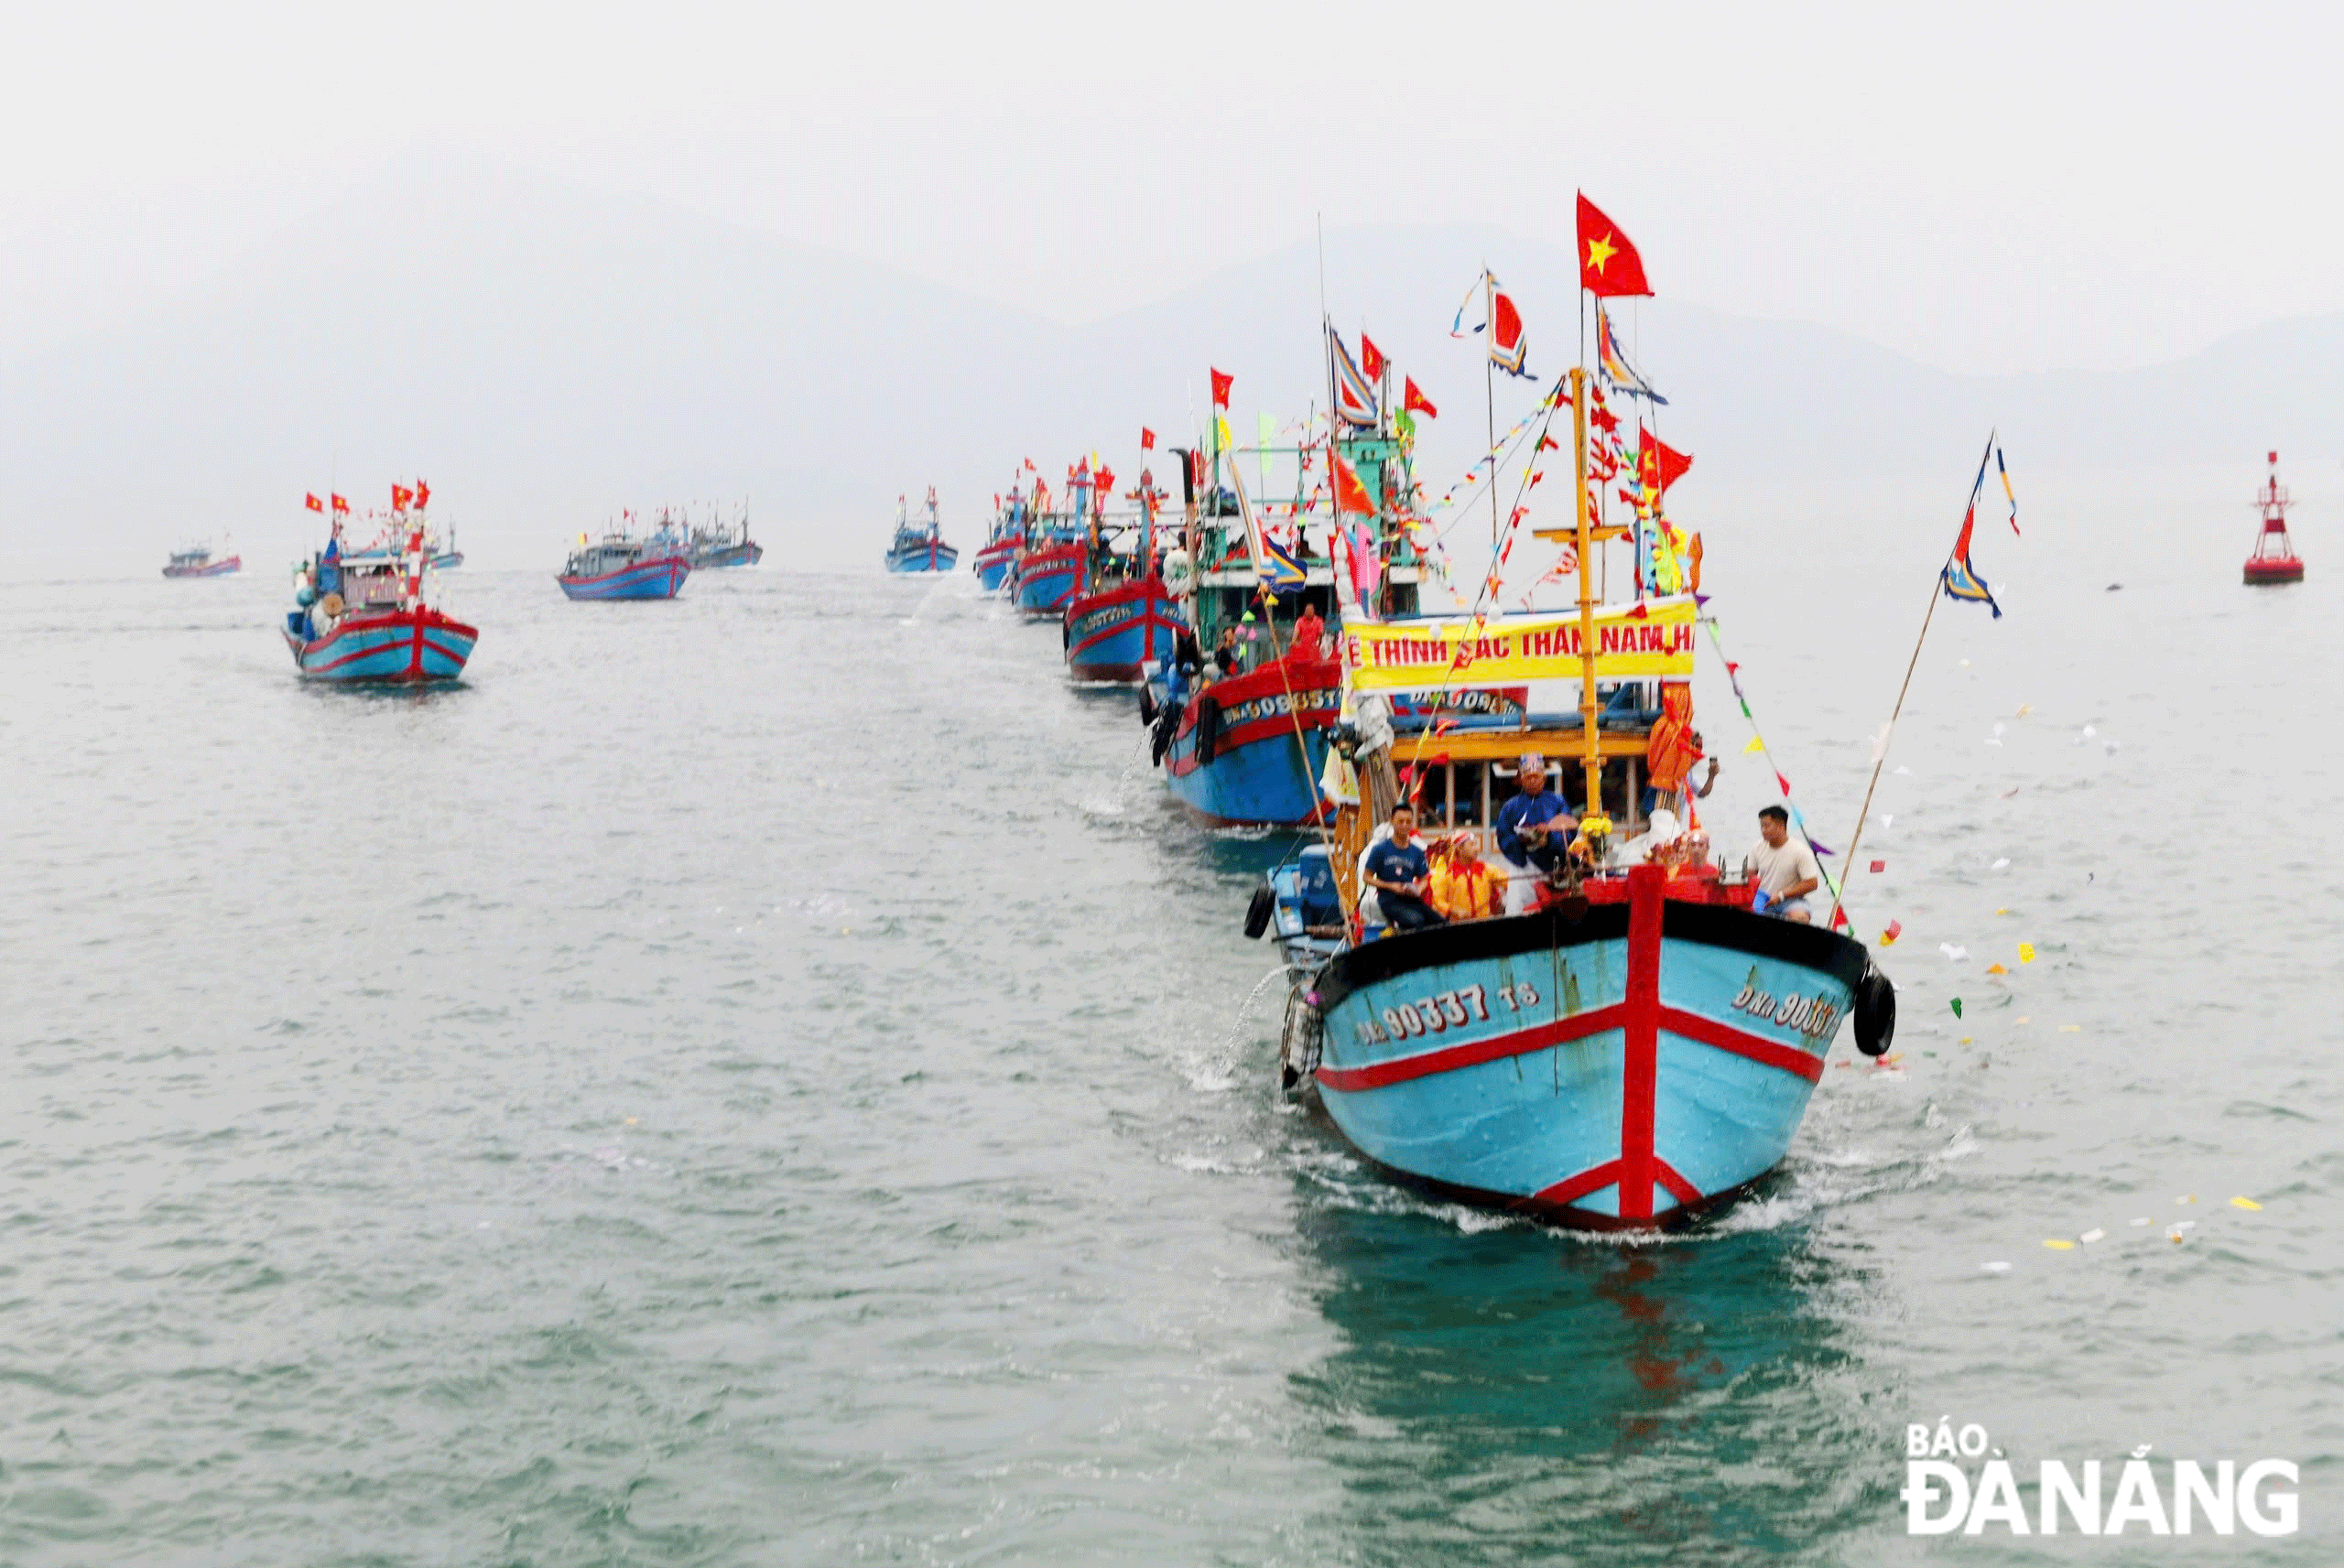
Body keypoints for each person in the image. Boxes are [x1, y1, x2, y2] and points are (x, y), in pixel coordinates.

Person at [1495, 752, 1577, 914]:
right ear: (1521, 779)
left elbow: (1569, 830)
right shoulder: (1510, 806)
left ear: (1544, 778)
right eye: (1528, 777)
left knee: (1548, 912)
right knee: (1517, 911)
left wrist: (1549, 839)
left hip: (1551, 866)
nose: (1533, 781)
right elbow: (1503, 835)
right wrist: (1522, 842)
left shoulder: (1557, 801)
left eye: (1536, 776)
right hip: (1522, 866)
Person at [1362, 803, 1445, 931]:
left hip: (1411, 899)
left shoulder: (1416, 851)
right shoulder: (1380, 849)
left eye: (1408, 821)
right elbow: (1367, 877)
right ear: (1392, 821)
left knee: (1441, 922)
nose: (1405, 825)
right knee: (1417, 921)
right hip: (1389, 900)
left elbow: (1425, 878)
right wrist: (1390, 886)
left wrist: (1418, 890)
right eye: (1400, 821)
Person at [1745, 805, 1821, 923]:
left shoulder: (1800, 851)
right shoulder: (1757, 848)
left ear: (1780, 826)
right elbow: (1749, 877)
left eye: (1767, 826)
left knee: (1800, 917)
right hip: (1763, 899)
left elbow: (1812, 883)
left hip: (1791, 901)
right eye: (1761, 826)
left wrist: (1781, 895)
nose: (1763, 831)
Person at [1430, 832, 1504, 921]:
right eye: (1472, 845)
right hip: (1459, 924)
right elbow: (1437, 900)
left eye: (1476, 844)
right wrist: (1452, 910)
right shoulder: (1446, 875)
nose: (1476, 848)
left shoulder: (1487, 869)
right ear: (1460, 848)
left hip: (1485, 922)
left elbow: (1507, 881)